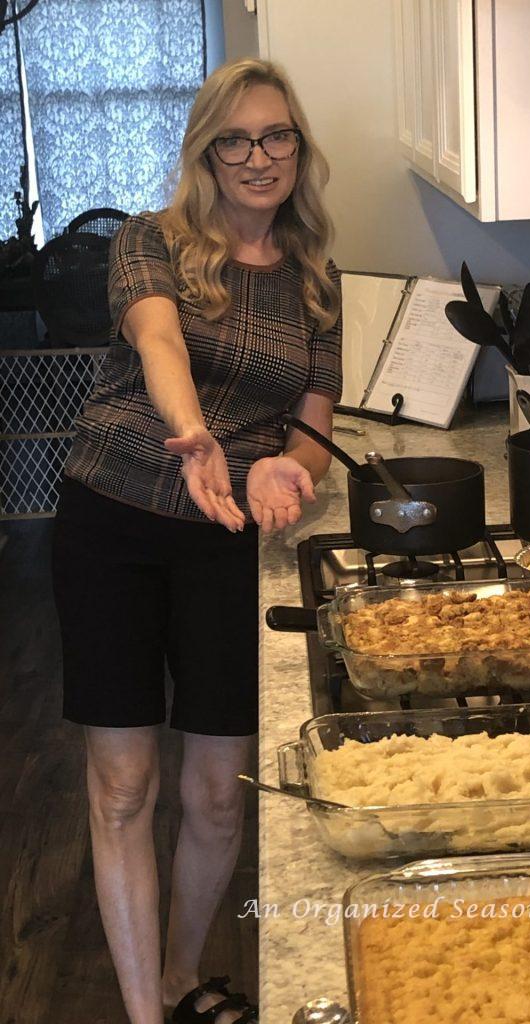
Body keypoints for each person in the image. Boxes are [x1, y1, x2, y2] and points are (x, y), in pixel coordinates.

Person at [51, 58, 341, 1024]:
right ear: (206, 151)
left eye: (277, 137)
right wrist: (197, 436)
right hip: (114, 522)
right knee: (126, 784)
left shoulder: (317, 281)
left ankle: (180, 978)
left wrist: (279, 467)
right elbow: (160, 342)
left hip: (225, 535)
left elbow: (314, 429)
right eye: (237, 139)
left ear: (299, 148)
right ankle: (144, 1013)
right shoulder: (152, 240)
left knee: (219, 796)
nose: (259, 158)